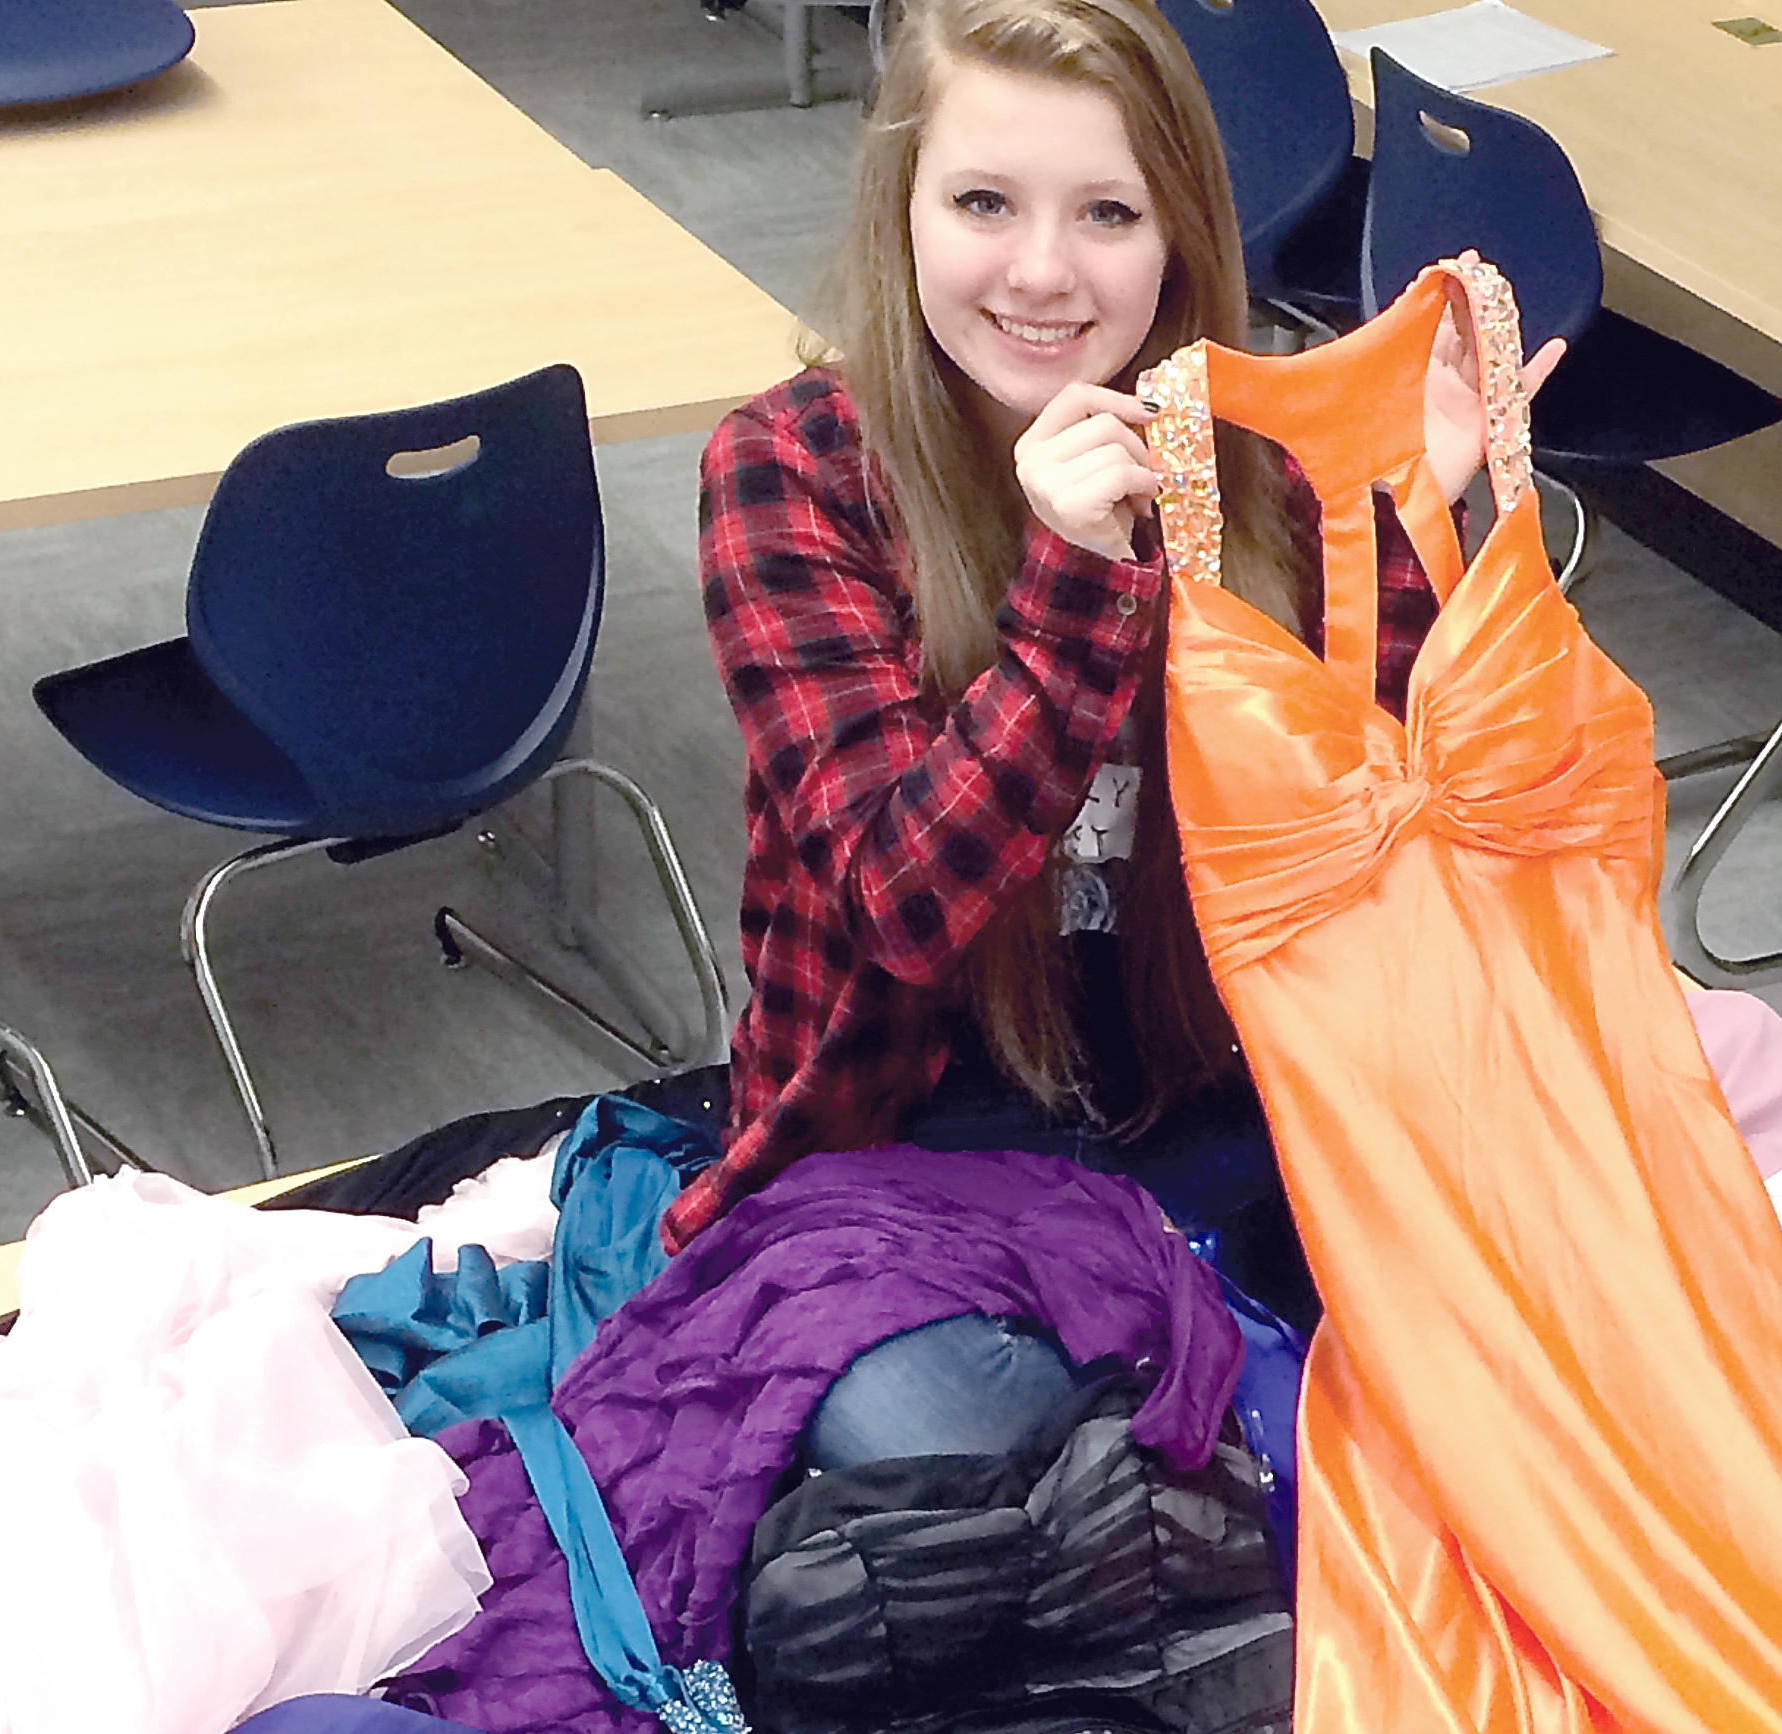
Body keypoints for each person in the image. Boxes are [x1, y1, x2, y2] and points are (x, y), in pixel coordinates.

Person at [658, 0, 1558, 1324]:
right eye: (982, 204)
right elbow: (900, 905)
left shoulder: (1251, 454)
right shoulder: (793, 468)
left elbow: (1396, 862)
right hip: (906, 1128)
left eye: (1107, 215)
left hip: (1210, 1086)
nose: (1043, 273)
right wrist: (1072, 578)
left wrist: (1409, 533)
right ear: (901, 211)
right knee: (951, 1438)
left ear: (1177, 235)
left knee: (1488, 1323)